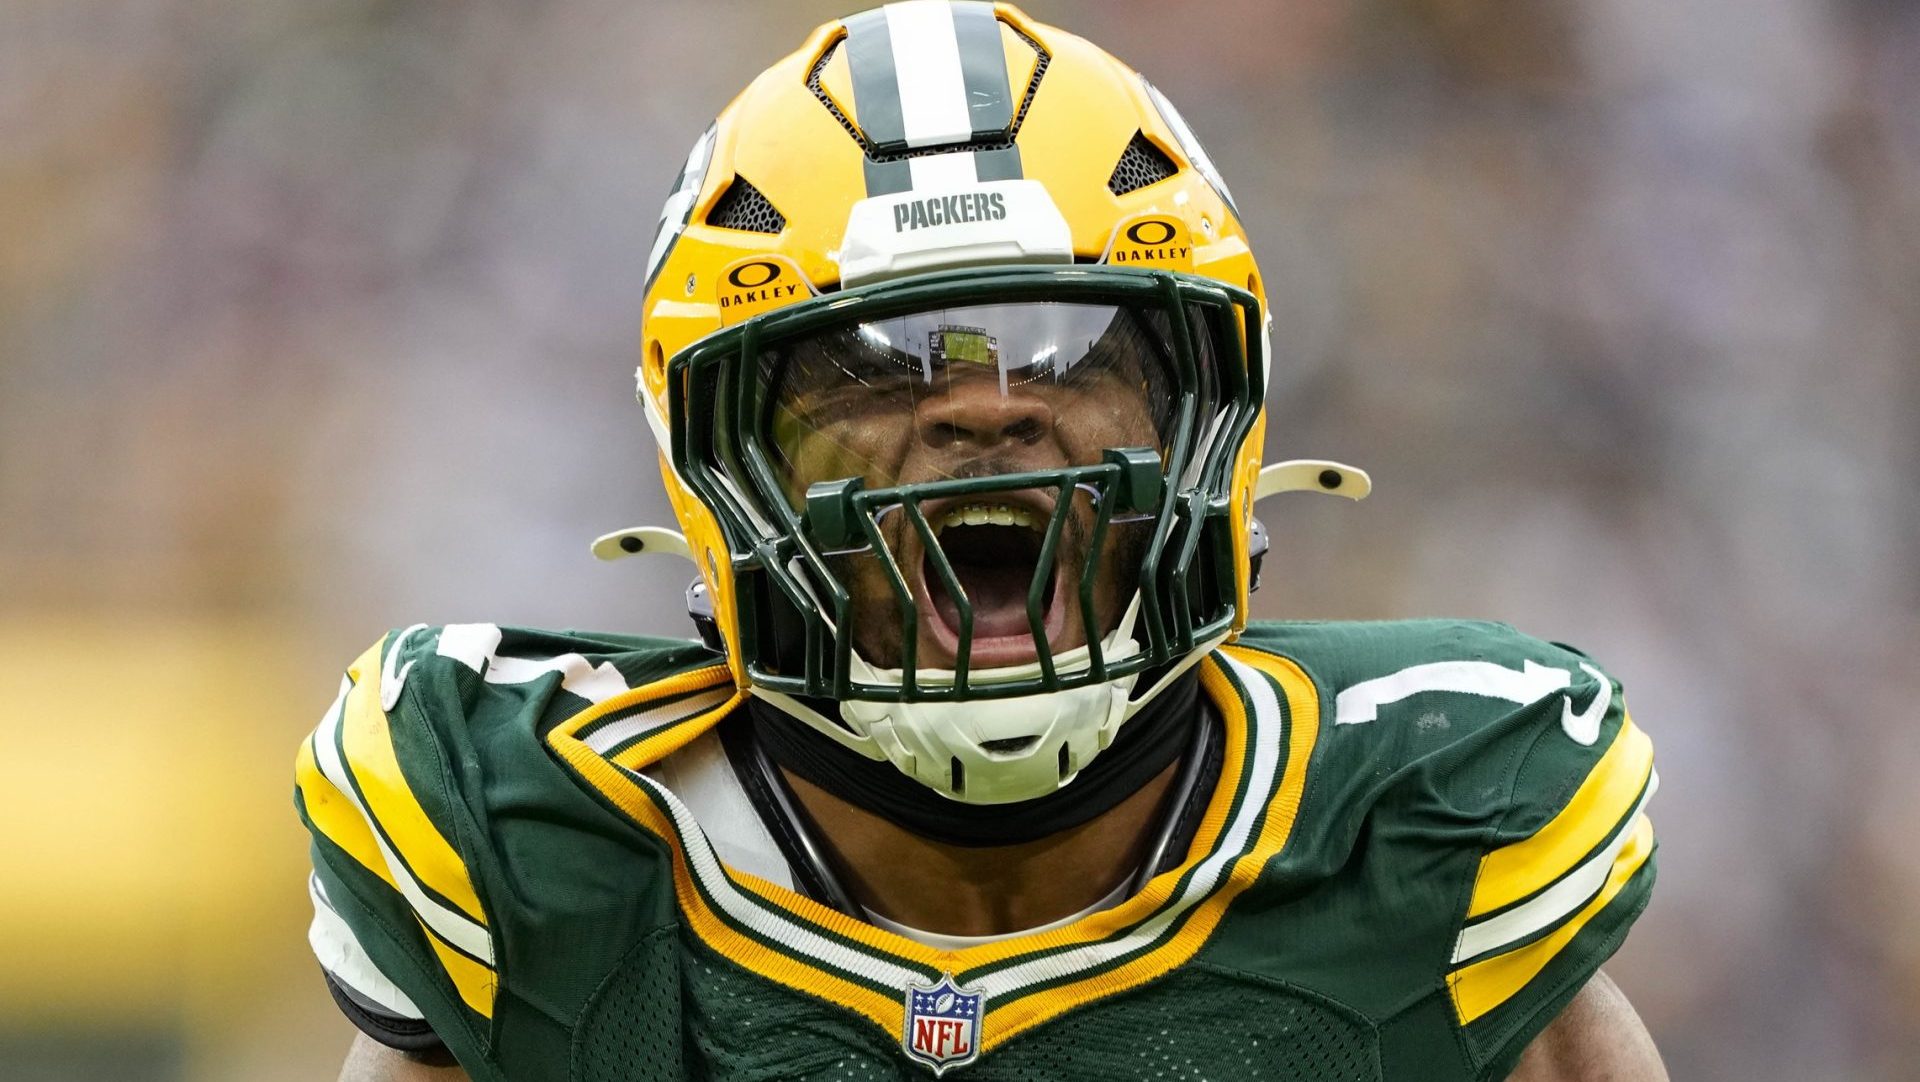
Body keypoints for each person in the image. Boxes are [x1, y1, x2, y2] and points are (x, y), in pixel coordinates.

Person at [296, 4, 1666, 1079]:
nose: (983, 410)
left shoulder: (1423, 837)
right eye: (871, 371)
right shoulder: (543, 859)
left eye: (1069, 352)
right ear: (719, 462)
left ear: (1206, 405)